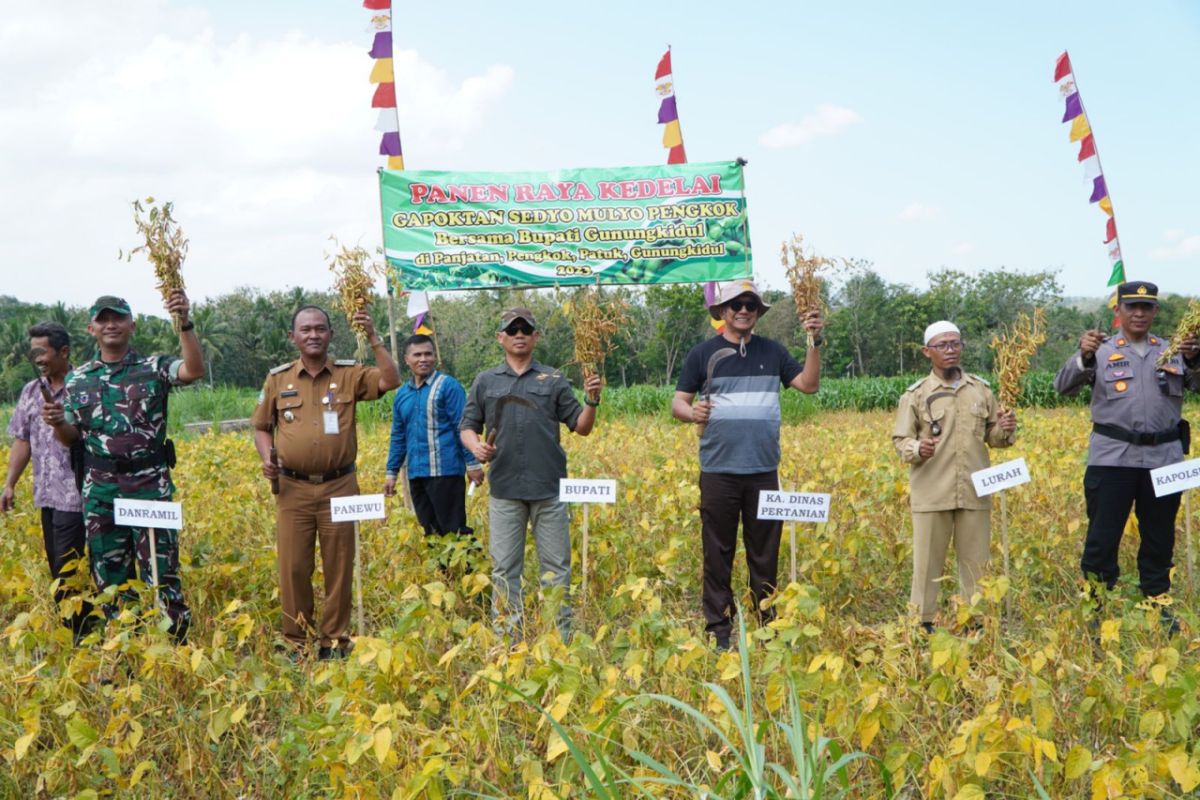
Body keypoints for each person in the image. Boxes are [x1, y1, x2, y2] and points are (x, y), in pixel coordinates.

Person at [42, 293, 204, 643]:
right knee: (110, 576)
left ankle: (172, 649)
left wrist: (184, 322)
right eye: (103, 319)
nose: (111, 324)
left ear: (132, 324)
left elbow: (193, 370)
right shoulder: (78, 380)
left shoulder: (154, 367)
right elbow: (71, 437)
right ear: (91, 329)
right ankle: (124, 650)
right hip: (101, 492)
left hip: (150, 487)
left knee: (161, 574)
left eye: (118, 317)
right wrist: (57, 423)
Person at [671, 280, 823, 651]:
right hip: (718, 470)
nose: (743, 310)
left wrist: (814, 342)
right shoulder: (702, 354)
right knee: (717, 550)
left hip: (763, 470)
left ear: (757, 313)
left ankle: (766, 623)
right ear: (722, 311)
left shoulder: (772, 352)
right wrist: (693, 413)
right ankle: (719, 628)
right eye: (736, 304)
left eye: (750, 305)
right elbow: (678, 402)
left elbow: (809, 384)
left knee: (764, 551)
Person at [251, 305, 400, 660]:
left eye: (320, 328)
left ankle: (334, 640)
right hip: (292, 489)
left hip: (339, 485)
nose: (313, 334)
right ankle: (297, 641)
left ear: (331, 334)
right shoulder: (278, 379)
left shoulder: (350, 375)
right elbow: (261, 427)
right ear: (293, 337)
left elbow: (391, 380)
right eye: (306, 330)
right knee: (294, 567)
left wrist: (374, 338)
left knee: (339, 564)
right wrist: (266, 457)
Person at [1054, 281, 1200, 633]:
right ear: (1117, 311)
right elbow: (1063, 386)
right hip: (1112, 458)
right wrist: (1083, 356)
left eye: (1146, 307)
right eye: (1131, 306)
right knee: (1103, 537)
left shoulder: (1174, 351)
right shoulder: (1100, 350)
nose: (1138, 313)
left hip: (1164, 459)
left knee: (1160, 536)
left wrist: (1195, 359)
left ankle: (1157, 602)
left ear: (1155, 313)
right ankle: (1096, 605)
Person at [460, 307, 602, 642]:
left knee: (556, 570)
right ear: (501, 338)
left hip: (549, 488)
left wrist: (592, 401)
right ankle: (508, 641)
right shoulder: (485, 381)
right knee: (505, 569)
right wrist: (476, 447)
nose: (519, 334)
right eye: (512, 330)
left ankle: (558, 641)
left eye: (526, 329)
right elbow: (467, 426)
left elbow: (581, 427)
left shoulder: (553, 380)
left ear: (536, 336)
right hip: (505, 490)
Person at [892, 321, 1016, 634]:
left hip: (975, 489)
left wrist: (1007, 428)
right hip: (932, 491)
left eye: (955, 344)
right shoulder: (916, 395)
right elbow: (900, 440)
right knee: (927, 564)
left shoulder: (980, 390)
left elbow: (994, 436)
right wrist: (919, 447)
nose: (950, 350)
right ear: (927, 352)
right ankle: (922, 623)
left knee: (976, 562)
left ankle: (975, 622)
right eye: (943, 345)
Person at [3, 321, 93, 641]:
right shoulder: (31, 390)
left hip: (79, 495)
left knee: (72, 573)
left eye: (43, 351)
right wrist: (10, 483)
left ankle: (85, 637)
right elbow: (22, 440)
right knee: (59, 569)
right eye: (34, 352)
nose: (37, 358)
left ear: (64, 351)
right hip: (46, 497)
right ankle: (77, 636)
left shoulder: (84, 386)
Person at [384, 335, 484, 545]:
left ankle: (466, 575)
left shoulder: (448, 386)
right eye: (417, 355)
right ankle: (443, 577)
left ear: (435, 357)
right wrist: (391, 472)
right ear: (406, 359)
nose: (423, 359)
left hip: (445, 472)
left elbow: (463, 427)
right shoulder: (402, 394)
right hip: (417, 473)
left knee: (454, 530)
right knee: (430, 531)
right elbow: (398, 435)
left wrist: (472, 464)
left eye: (428, 354)